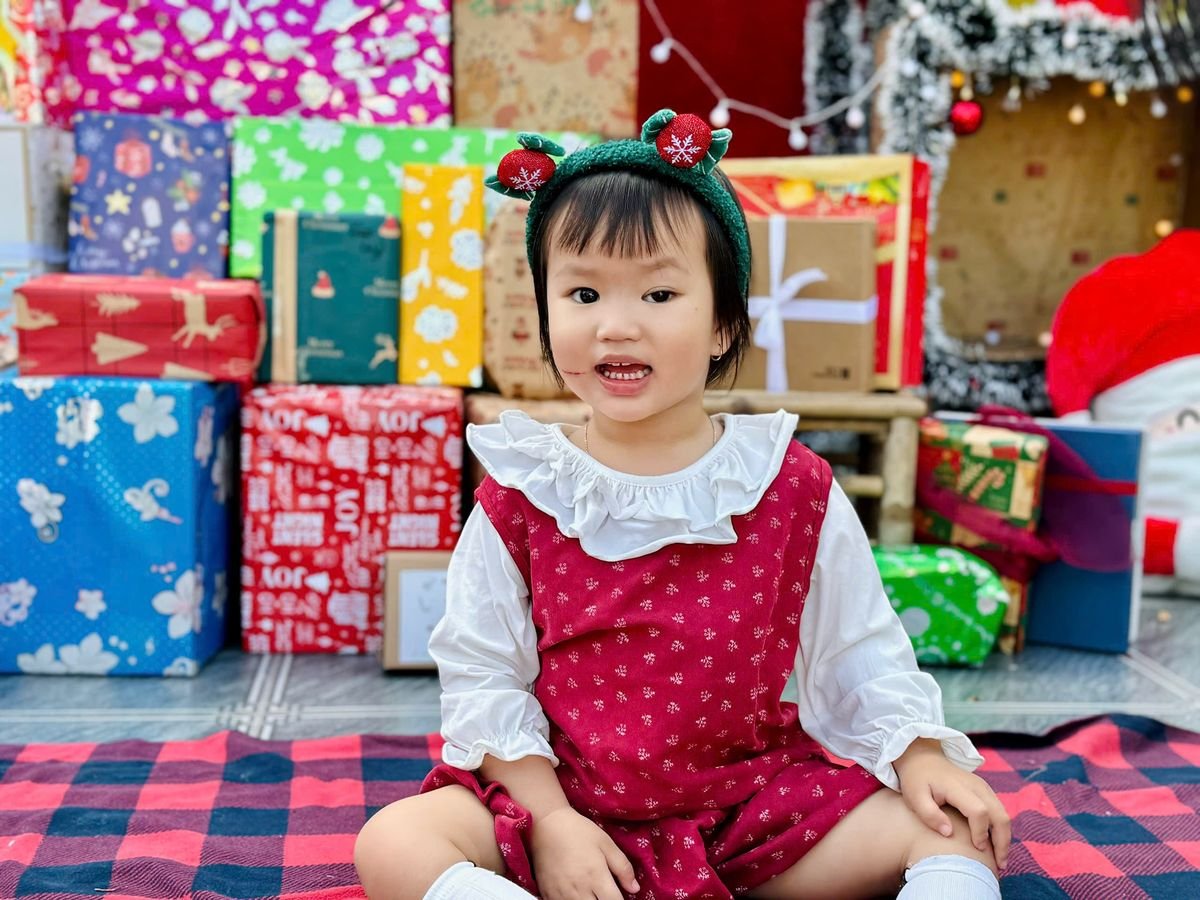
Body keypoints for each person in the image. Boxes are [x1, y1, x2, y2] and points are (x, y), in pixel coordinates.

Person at [355, 110, 1011, 900]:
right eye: (583, 293)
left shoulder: (789, 485)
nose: (616, 325)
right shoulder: (521, 494)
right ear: (547, 315)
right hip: (564, 807)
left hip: (748, 814)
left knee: (953, 830)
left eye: (660, 292)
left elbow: (859, 648)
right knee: (394, 844)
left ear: (723, 325)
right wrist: (552, 823)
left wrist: (921, 755)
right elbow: (484, 676)